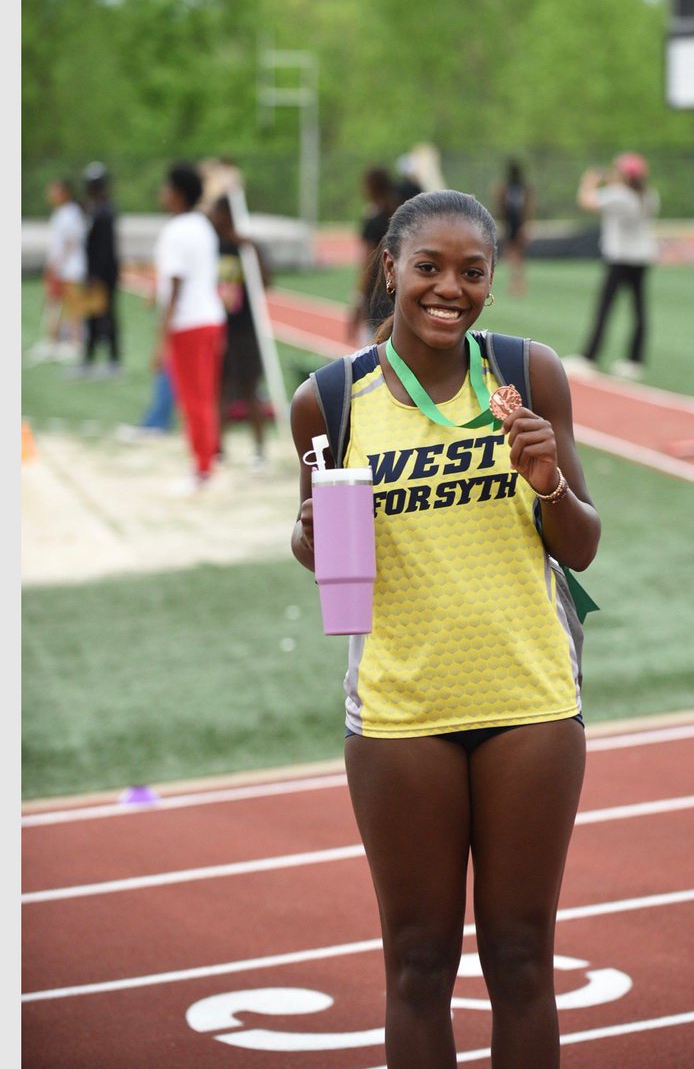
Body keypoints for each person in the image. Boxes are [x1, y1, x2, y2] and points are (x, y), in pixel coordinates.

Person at [289, 189, 600, 1067]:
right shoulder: (328, 400)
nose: (449, 289)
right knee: (419, 966)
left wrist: (546, 480)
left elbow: (582, 544)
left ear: (492, 281)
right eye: (429, 267)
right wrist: (308, 535)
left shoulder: (528, 373)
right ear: (391, 269)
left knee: (522, 961)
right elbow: (321, 551)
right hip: (400, 710)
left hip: (530, 701)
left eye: (472, 271)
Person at [153, 162, 227, 493]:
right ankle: (207, 458)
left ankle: (202, 468)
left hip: (188, 323)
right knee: (205, 393)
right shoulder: (202, 225)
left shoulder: (176, 230)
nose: (162, 193)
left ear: (178, 193)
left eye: (166, 187)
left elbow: (177, 284)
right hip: (210, 317)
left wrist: (161, 337)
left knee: (192, 397)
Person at [568, 152, 660, 381]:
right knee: (638, 309)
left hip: (620, 258)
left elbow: (586, 201)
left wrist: (589, 181)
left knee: (605, 308)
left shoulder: (618, 195)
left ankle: (589, 356)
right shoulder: (649, 195)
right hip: (641, 257)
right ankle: (635, 359)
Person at [210, 194, 271, 468]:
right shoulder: (211, 246)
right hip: (217, 326)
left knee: (249, 388)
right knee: (219, 388)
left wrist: (252, 251)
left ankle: (259, 448)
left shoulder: (245, 248)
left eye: (217, 212)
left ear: (227, 214)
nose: (213, 218)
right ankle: (218, 448)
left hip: (245, 328)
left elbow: (265, 282)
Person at [31, 179, 87, 364]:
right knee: (55, 304)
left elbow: (71, 242)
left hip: (69, 268)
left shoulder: (71, 213)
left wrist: (56, 265)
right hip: (62, 267)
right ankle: (53, 340)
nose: (50, 195)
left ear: (64, 192)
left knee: (72, 305)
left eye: (54, 191)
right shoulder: (61, 213)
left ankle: (75, 342)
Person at [347, 166, 399, 346]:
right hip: (397, 284)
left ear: (372, 187)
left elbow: (367, 263)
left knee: (374, 345)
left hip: (377, 289)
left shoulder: (374, 220)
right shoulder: (399, 214)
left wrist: (358, 300)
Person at [79, 162, 122, 377]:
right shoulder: (95, 209)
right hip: (96, 274)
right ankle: (90, 358)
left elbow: (104, 249)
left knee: (106, 316)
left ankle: (113, 360)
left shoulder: (104, 211)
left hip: (102, 275)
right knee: (93, 316)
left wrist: (95, 275)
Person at [493, 159, 534, 297]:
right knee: (515, 253)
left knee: (515, 253)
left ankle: (517, 282)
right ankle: (517, 282)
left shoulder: (514, 188)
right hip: (514, 223)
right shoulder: (517, 188)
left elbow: (502, 206)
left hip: (514, 223)